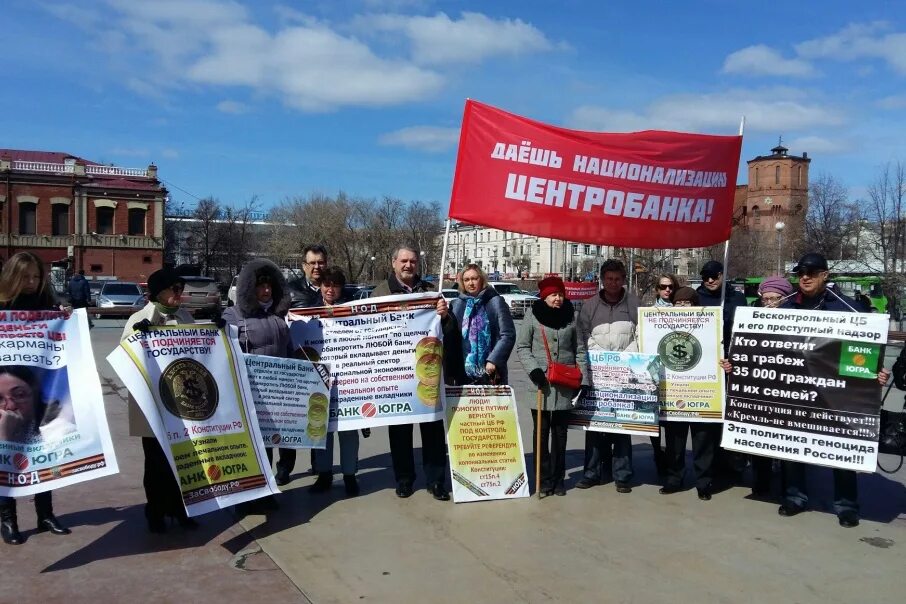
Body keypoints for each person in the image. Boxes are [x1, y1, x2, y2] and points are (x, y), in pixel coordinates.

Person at [776, 253, 889, 527]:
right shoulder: (786, 308)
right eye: (801, 271)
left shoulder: (847, 309)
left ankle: (846, 505)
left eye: (812, 272)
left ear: (825, 275)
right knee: (792, 444)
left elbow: (867, 347)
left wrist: (876, 372)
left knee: (841, 447)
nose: (805, 276)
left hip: (837, 394)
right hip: (797, 391)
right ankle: (795, 496)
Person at [371, 245, 464, 500]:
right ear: (393, 263)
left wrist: (445, 316)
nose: (408, 265)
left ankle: (436, 481)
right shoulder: (380, 293)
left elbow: (451, 332)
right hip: (397, 374)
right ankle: (404, 479)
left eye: (412, 261)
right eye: (403, 261)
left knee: (433, 430)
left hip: (428, 371)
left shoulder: (431, 293)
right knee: (400, 431)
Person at [0, 252, 71, 545]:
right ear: (12, 277)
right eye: (25, 276)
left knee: (44, 450)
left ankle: (45, 514)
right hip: (4, 391)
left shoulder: (47, 306)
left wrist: (66, 315)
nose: (31, 282)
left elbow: (70, 337)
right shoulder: (2, 306)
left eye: (36, 277)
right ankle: (8, 519)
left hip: (39, 389)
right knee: (6, 454)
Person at [122, 267, 198, 533]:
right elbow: (125, 362)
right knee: (155, 462)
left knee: (182, 459)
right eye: (175, 289)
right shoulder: (138, 319)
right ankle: (154, 511)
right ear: (159, 293)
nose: (180, 294)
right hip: (153, 405)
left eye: (181, 289)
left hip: (181, 403)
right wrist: (137, 339)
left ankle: (180, 508)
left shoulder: (185, 317)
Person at [222, 259, 293, 501]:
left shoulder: (280, 314)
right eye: (260, 286)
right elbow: (225, 352)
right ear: (248, 289)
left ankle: (266, 490)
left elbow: (291, 348)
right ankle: (248, 495)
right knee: (253, 445)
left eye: (269, 286)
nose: (266, 291)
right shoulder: (232, 315)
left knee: (271, 441)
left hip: (279, 389)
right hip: (250, 391)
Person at [517, 276, 586, 496]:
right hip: (541, 384)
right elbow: (523, 347)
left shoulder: (571, 317)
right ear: (544, 296)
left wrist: (582, 379)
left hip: (565, 383)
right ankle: (543, 479)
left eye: (560, 294)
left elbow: (580, 350)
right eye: (553, 295)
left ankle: (559, 480)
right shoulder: (533, 315)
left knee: (560, 434)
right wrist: (534, 370)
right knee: (542, 433)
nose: (557, 298)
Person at [575, 260, 640, 493]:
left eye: (617, 279)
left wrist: (626, 357)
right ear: (602, 279)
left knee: (622, 425)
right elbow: (582, 333)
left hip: (626, 371)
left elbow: (640, 332)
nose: (613, 283)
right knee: (594, 424)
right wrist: (600, 356)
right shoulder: (590, 304)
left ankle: (622, 475)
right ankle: (592, 473)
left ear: (623, 280)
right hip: (597, 371)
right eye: (609, 278)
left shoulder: (633, 303)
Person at [308, 266, 365, 497]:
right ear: (320, 286)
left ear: (342, 287)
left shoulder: (352, 310)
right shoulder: (309, 309)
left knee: (348, 429)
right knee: (322, 427)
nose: (330, 290)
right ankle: (324, 474)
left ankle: (350, 475)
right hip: (319, 377)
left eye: (335, 285)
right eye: (326, 285)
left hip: (348, 378)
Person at [658, 286, 718, 500]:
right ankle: (674, 479)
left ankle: (704, 483)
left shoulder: (710, 324)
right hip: (674, 392)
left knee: (703, 441)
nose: (682, 307)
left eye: (687, 303)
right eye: (678, 303)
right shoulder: (662, 325)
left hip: (702, 392)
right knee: (674, 441)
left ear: (696, 305)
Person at [449, 264, 516, 385]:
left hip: (491, 372)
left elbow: (507, 334)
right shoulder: (456, 305)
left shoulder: (496, 302)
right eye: (467, 280)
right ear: (462, 283)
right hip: (462, 374)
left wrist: (494, 360)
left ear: (482, 279)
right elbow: (451, 338)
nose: (471, 283)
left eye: (475, 278)